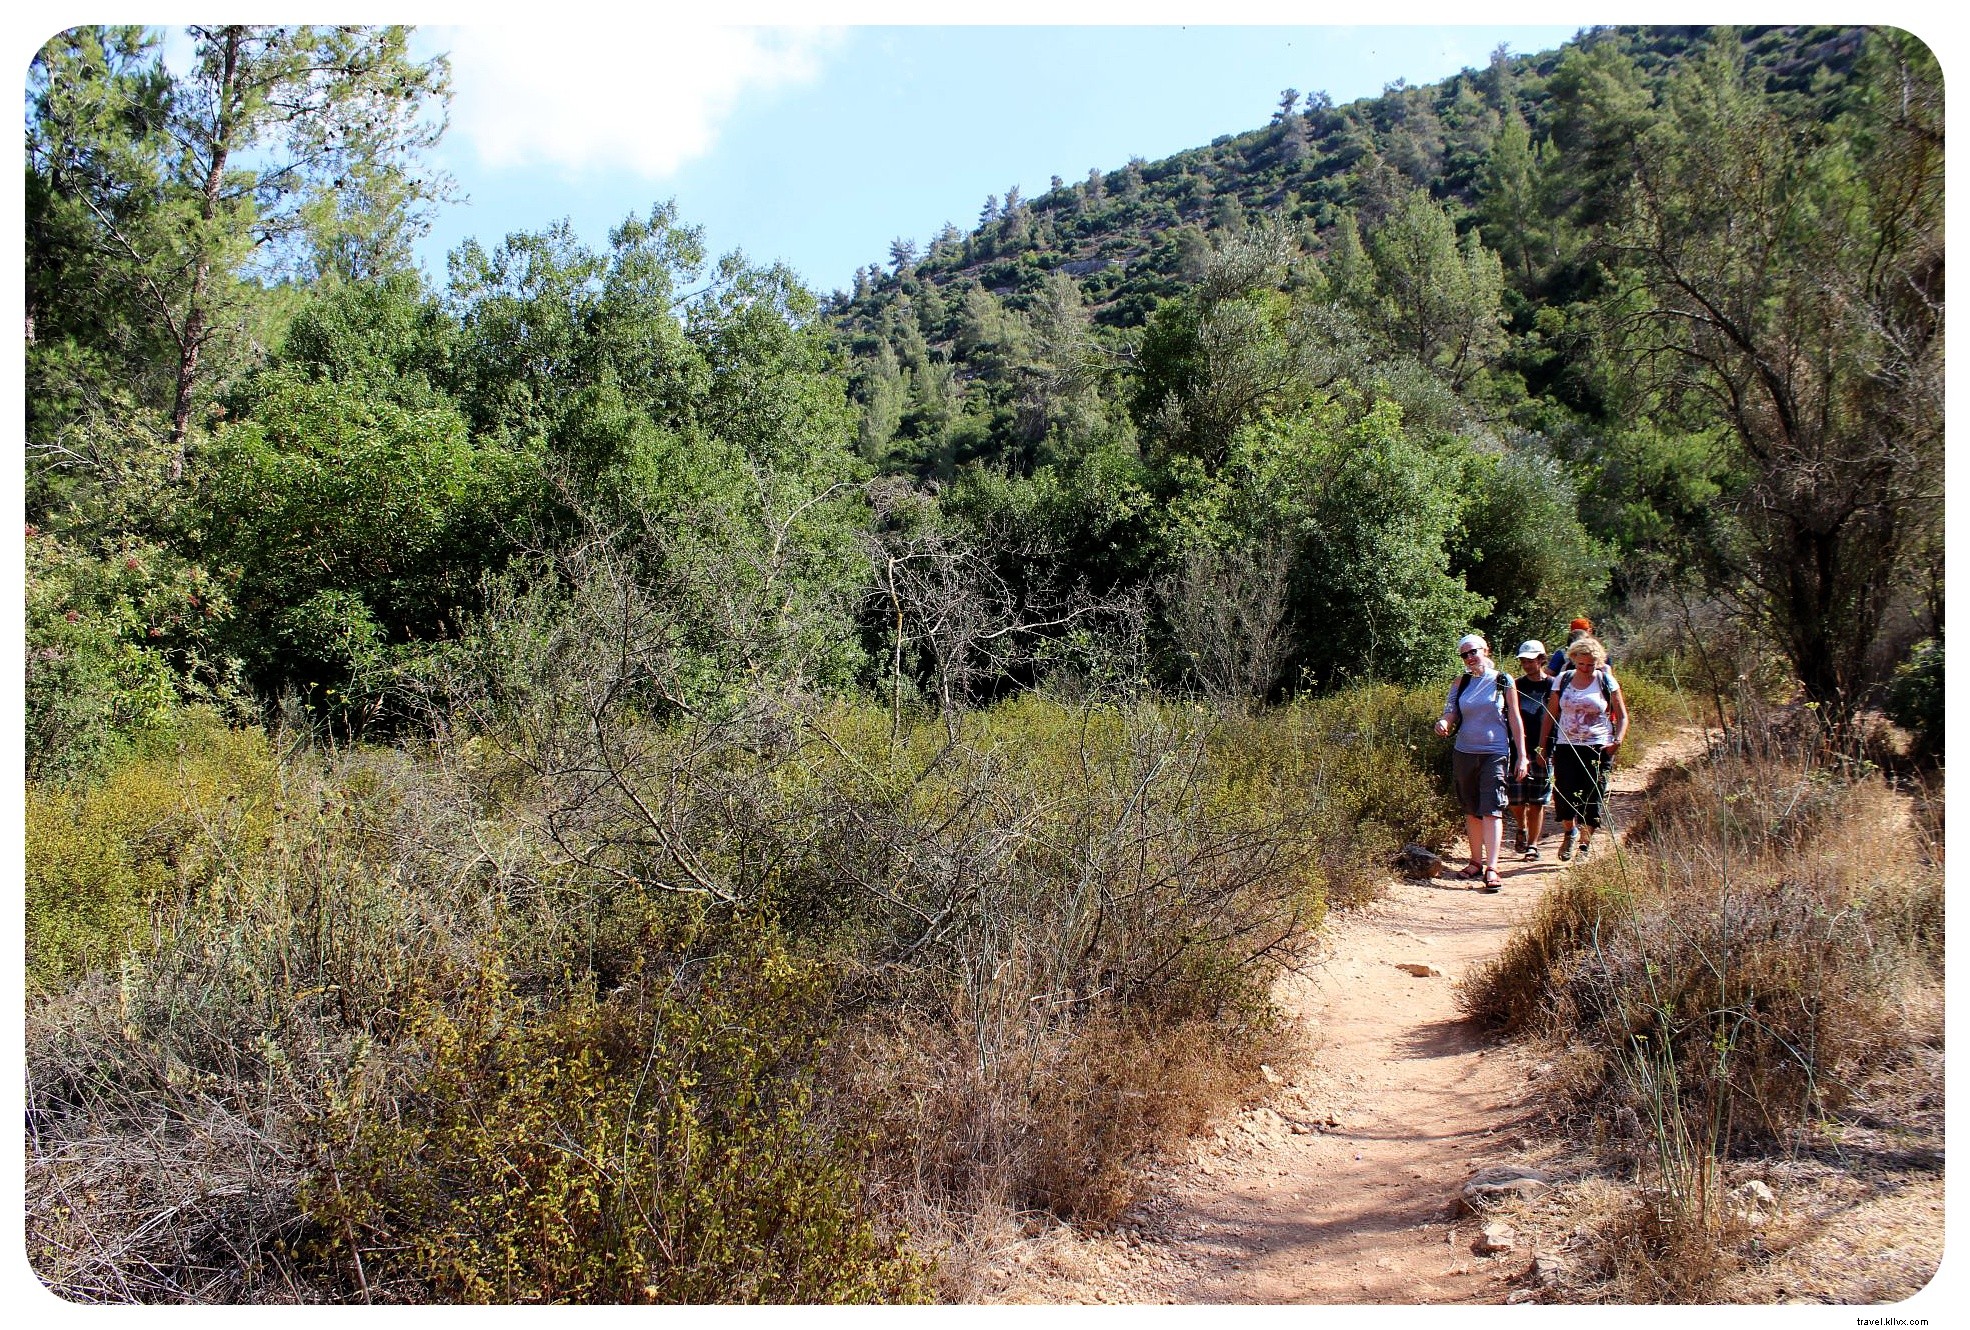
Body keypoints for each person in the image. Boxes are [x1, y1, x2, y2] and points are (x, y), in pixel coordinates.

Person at [1433, 633, 1530, 892]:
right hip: (1464, 751)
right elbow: (1451, 709)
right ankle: (1475, 861)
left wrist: (1522, 755)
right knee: (1471, 807)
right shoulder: (1461, 681)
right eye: (1464, 655)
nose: (1470, 658)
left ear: (1486, 650)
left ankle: (1492, 867)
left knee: (1492, 807)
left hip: (1495, 752)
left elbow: (1515, 719)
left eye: (1473, 652)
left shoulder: (1502, 680)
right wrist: (1444, 721)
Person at [1538, 634, 1627, 863]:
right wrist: (1542, 746)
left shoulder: (1606, 681)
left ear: (1598, 663)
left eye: (1591, 664)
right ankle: (1570, 832)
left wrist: (1616, 741)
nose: (1586, 668)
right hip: (1566, 745)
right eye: (1581, 664)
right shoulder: (1563, 679)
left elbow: (1623, 715)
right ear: (1573, 660)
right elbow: (1551, 714)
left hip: (1597, 746)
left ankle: (1585, 847)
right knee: (1564, 794)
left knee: (1593, 796)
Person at [1506, 641, 1555, 860]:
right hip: (1518, 749)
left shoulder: (1553, 686)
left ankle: (1533, 845)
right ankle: (1521, 826)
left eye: (1530, 660)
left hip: (1544, 749)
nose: (1526, 664)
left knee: (1537, 800)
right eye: (1524, 661)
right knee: (1515, 800)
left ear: (1541, 660)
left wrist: (1547, 750)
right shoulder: (1515, 685)